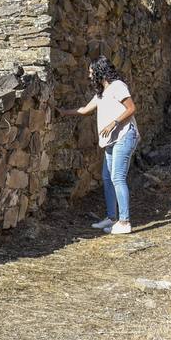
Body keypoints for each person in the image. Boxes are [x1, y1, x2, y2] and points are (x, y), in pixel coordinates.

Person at [62, 56, 140, 234]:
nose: (89, 75)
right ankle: (112, 218)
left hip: (125, 135)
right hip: (112, 140)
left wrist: (114, 123)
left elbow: (131, 108)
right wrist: (62, 112)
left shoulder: (118, 86)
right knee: (107, 177)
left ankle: (124, 221)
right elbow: (83, 110)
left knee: (117, 177)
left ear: (100, 71)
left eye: (91, 72)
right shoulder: (101, 93)